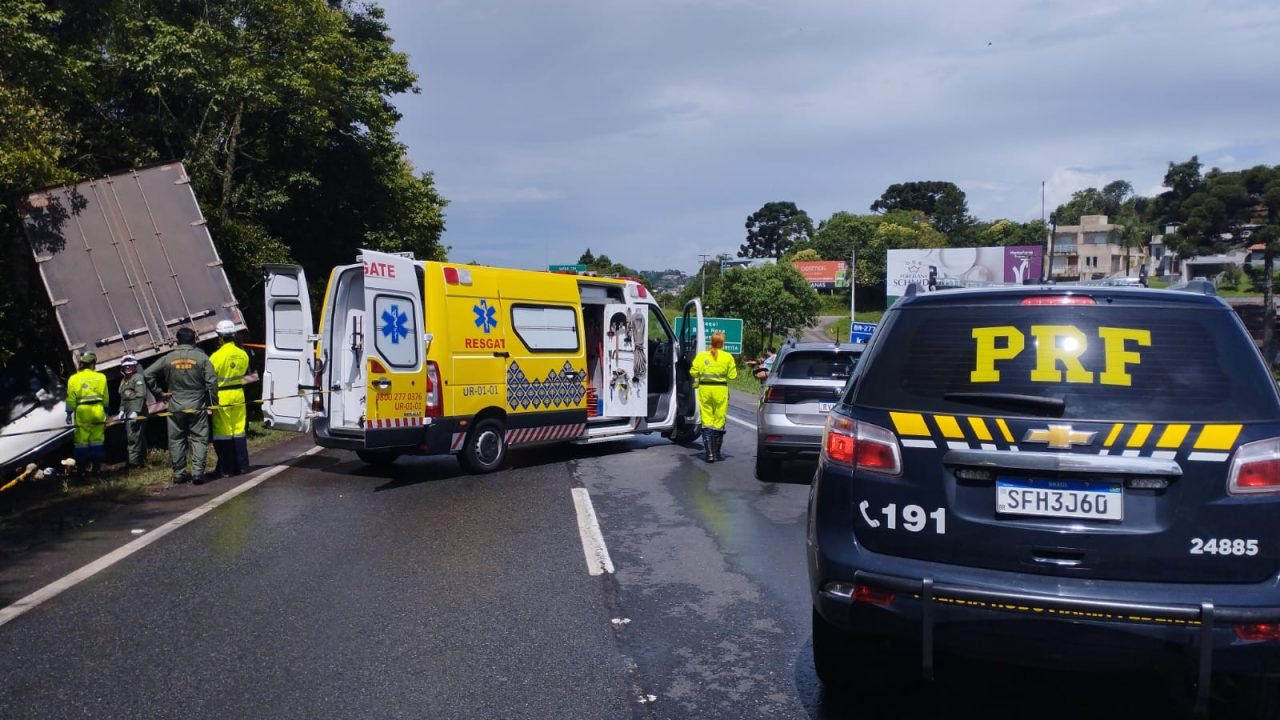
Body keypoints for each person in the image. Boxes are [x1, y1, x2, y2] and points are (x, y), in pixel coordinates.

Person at [145, 326, 217, 485]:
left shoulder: (168, 358)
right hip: (197, 404)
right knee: (199, 439)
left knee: (176, 439)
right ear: (194, 340)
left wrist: (159, 393)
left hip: (175, 405)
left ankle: (179, 473)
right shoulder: (202, 358)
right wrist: (212, 403)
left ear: (177, 340)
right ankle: (198, 473)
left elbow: (147, 373)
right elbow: (212, 382)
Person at [209, 320, 251, 477]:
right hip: (238, 393)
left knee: (223, 431)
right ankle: (242, 466)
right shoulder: (243, 354)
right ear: (233, 335)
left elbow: (210, 376)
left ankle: (226, 469)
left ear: (219, 337)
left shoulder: (216, 356)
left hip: (222, 395)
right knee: (239, 430)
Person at [690, 331, 737, 463]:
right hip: (720, 390)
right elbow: (733, 376)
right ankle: (716, 453)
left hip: (705, 390)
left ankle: (709, 454)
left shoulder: (702, 356)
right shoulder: (728, 357)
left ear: (711, 342)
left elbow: (693, 372)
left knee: (707, 419)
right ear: (723, 343)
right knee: (719, 420)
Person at [64, 351, 108, 479]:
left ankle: (82, 470)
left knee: (81, 442)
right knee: (97, 440)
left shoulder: (73, 379)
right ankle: (97, 470)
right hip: (98, 411)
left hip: (82, 412)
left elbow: (70, 398)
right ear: (93, 363)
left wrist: (68, 412)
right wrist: (106, 411)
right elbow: (106, 397)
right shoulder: (101, 377)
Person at [115, 354, 149, 468]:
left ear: (135, 366)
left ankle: (133, 464)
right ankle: (142, 460)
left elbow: (141, 395)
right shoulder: (124, 380)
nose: (128, 368)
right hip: (128, 411)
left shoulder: (137, 378)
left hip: (137, 411)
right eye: (126, 366)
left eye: (130, 365)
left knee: (133, 437)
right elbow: (124, 398)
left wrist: (136, 411)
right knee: (137, 436)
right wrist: (121, 410)